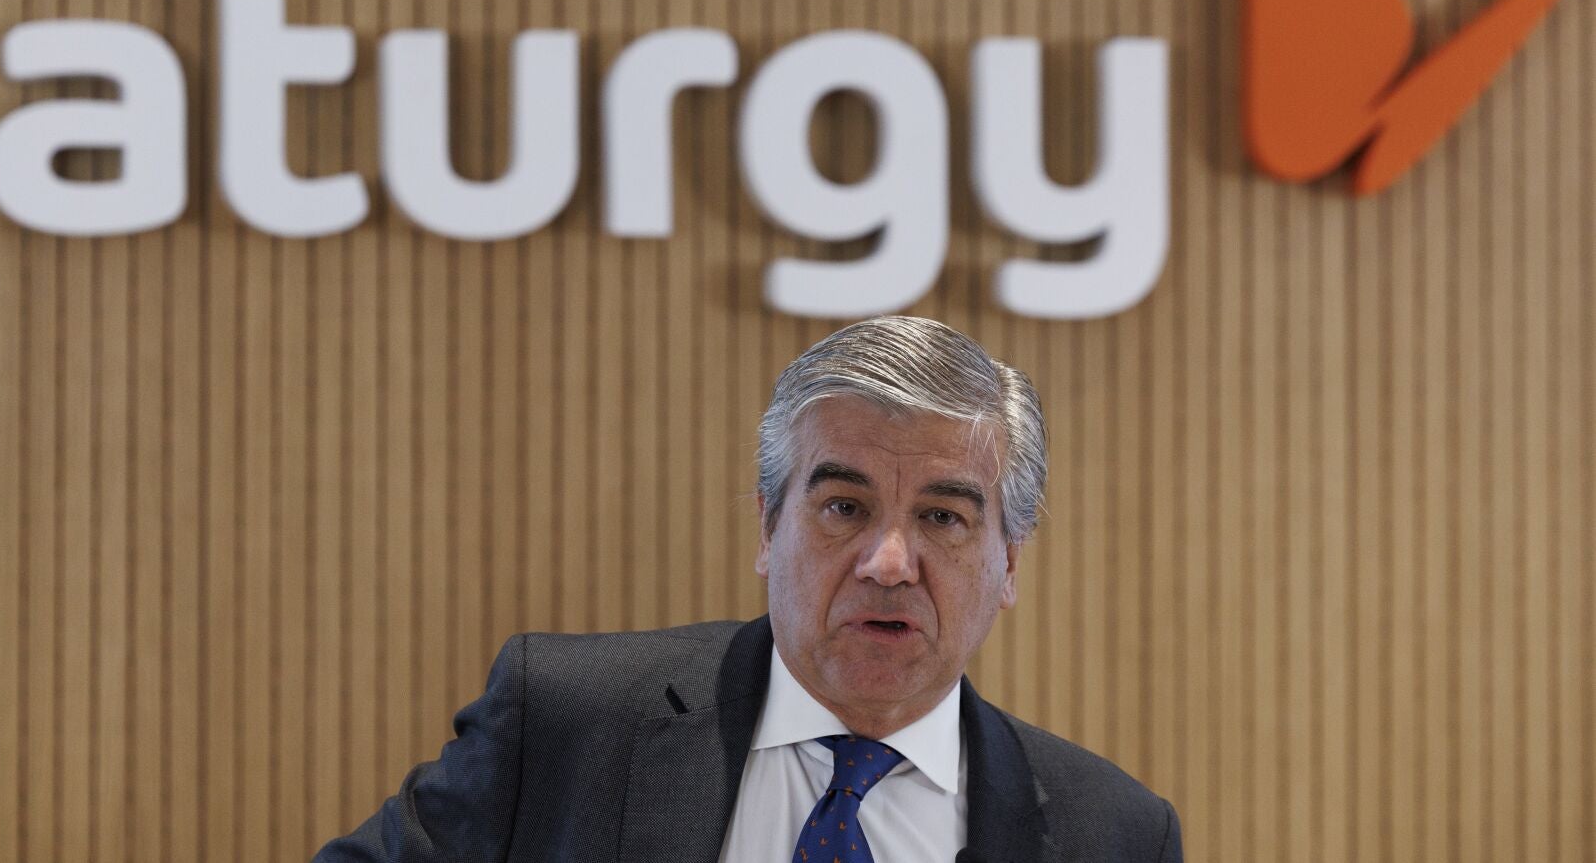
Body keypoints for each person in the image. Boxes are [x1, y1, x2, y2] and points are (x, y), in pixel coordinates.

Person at [313, 315, 1182, 862]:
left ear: (1010, 561)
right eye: (844, 506)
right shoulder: (567, 724)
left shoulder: (1115, 834)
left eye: (942, 517)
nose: (889, 561)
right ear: (768, 528)